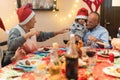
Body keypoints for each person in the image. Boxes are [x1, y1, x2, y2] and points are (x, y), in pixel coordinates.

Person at [2, 4, 68, 66]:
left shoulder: (29, 30)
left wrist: (59, 32)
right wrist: (27, 35)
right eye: (33, 19)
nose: (35, 21)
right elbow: (11, 45)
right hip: (12, 63)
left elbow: (43, 36)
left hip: (27, 61)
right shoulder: (15, 30)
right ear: (27, 21)